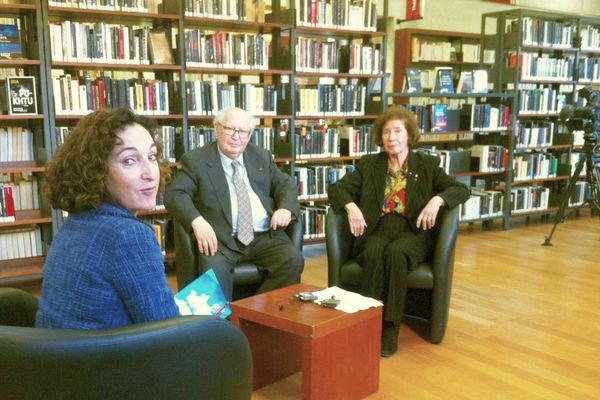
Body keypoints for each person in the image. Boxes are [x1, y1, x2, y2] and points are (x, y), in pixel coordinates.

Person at [328, 106, 470, 357]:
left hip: (413, 232)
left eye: (397, 131)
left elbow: (460, 190)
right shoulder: (370, 164)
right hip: (376, 229)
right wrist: (351, 207)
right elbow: (337, 189)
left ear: (409, 135)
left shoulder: (427, 164)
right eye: (386, 132)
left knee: (396, 253)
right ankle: (368, 323)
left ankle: (390, 327)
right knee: (372, 251)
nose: (391, 137)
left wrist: (437, 201)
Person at [36, 107, 181, 329]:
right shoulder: (129, 235)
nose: (151, 173)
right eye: (129, 161)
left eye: (151, 157)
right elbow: (168, 329)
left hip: (58, 359)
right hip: (106, 361)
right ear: (96, 171)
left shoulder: (75, 222)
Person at [164, 107, 304, 300]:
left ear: (250, 134)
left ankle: (256, 315)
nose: (236, 136)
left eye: (243, 131)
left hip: (263, 236)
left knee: (292, 259)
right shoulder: (196, 160)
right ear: (216, 128)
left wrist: (286, 208)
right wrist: (198, 222)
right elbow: (175, 194)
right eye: (230, 129)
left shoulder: (261, 156)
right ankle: (222, 328)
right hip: (221, 239)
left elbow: (285, 184)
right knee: (213, 274)